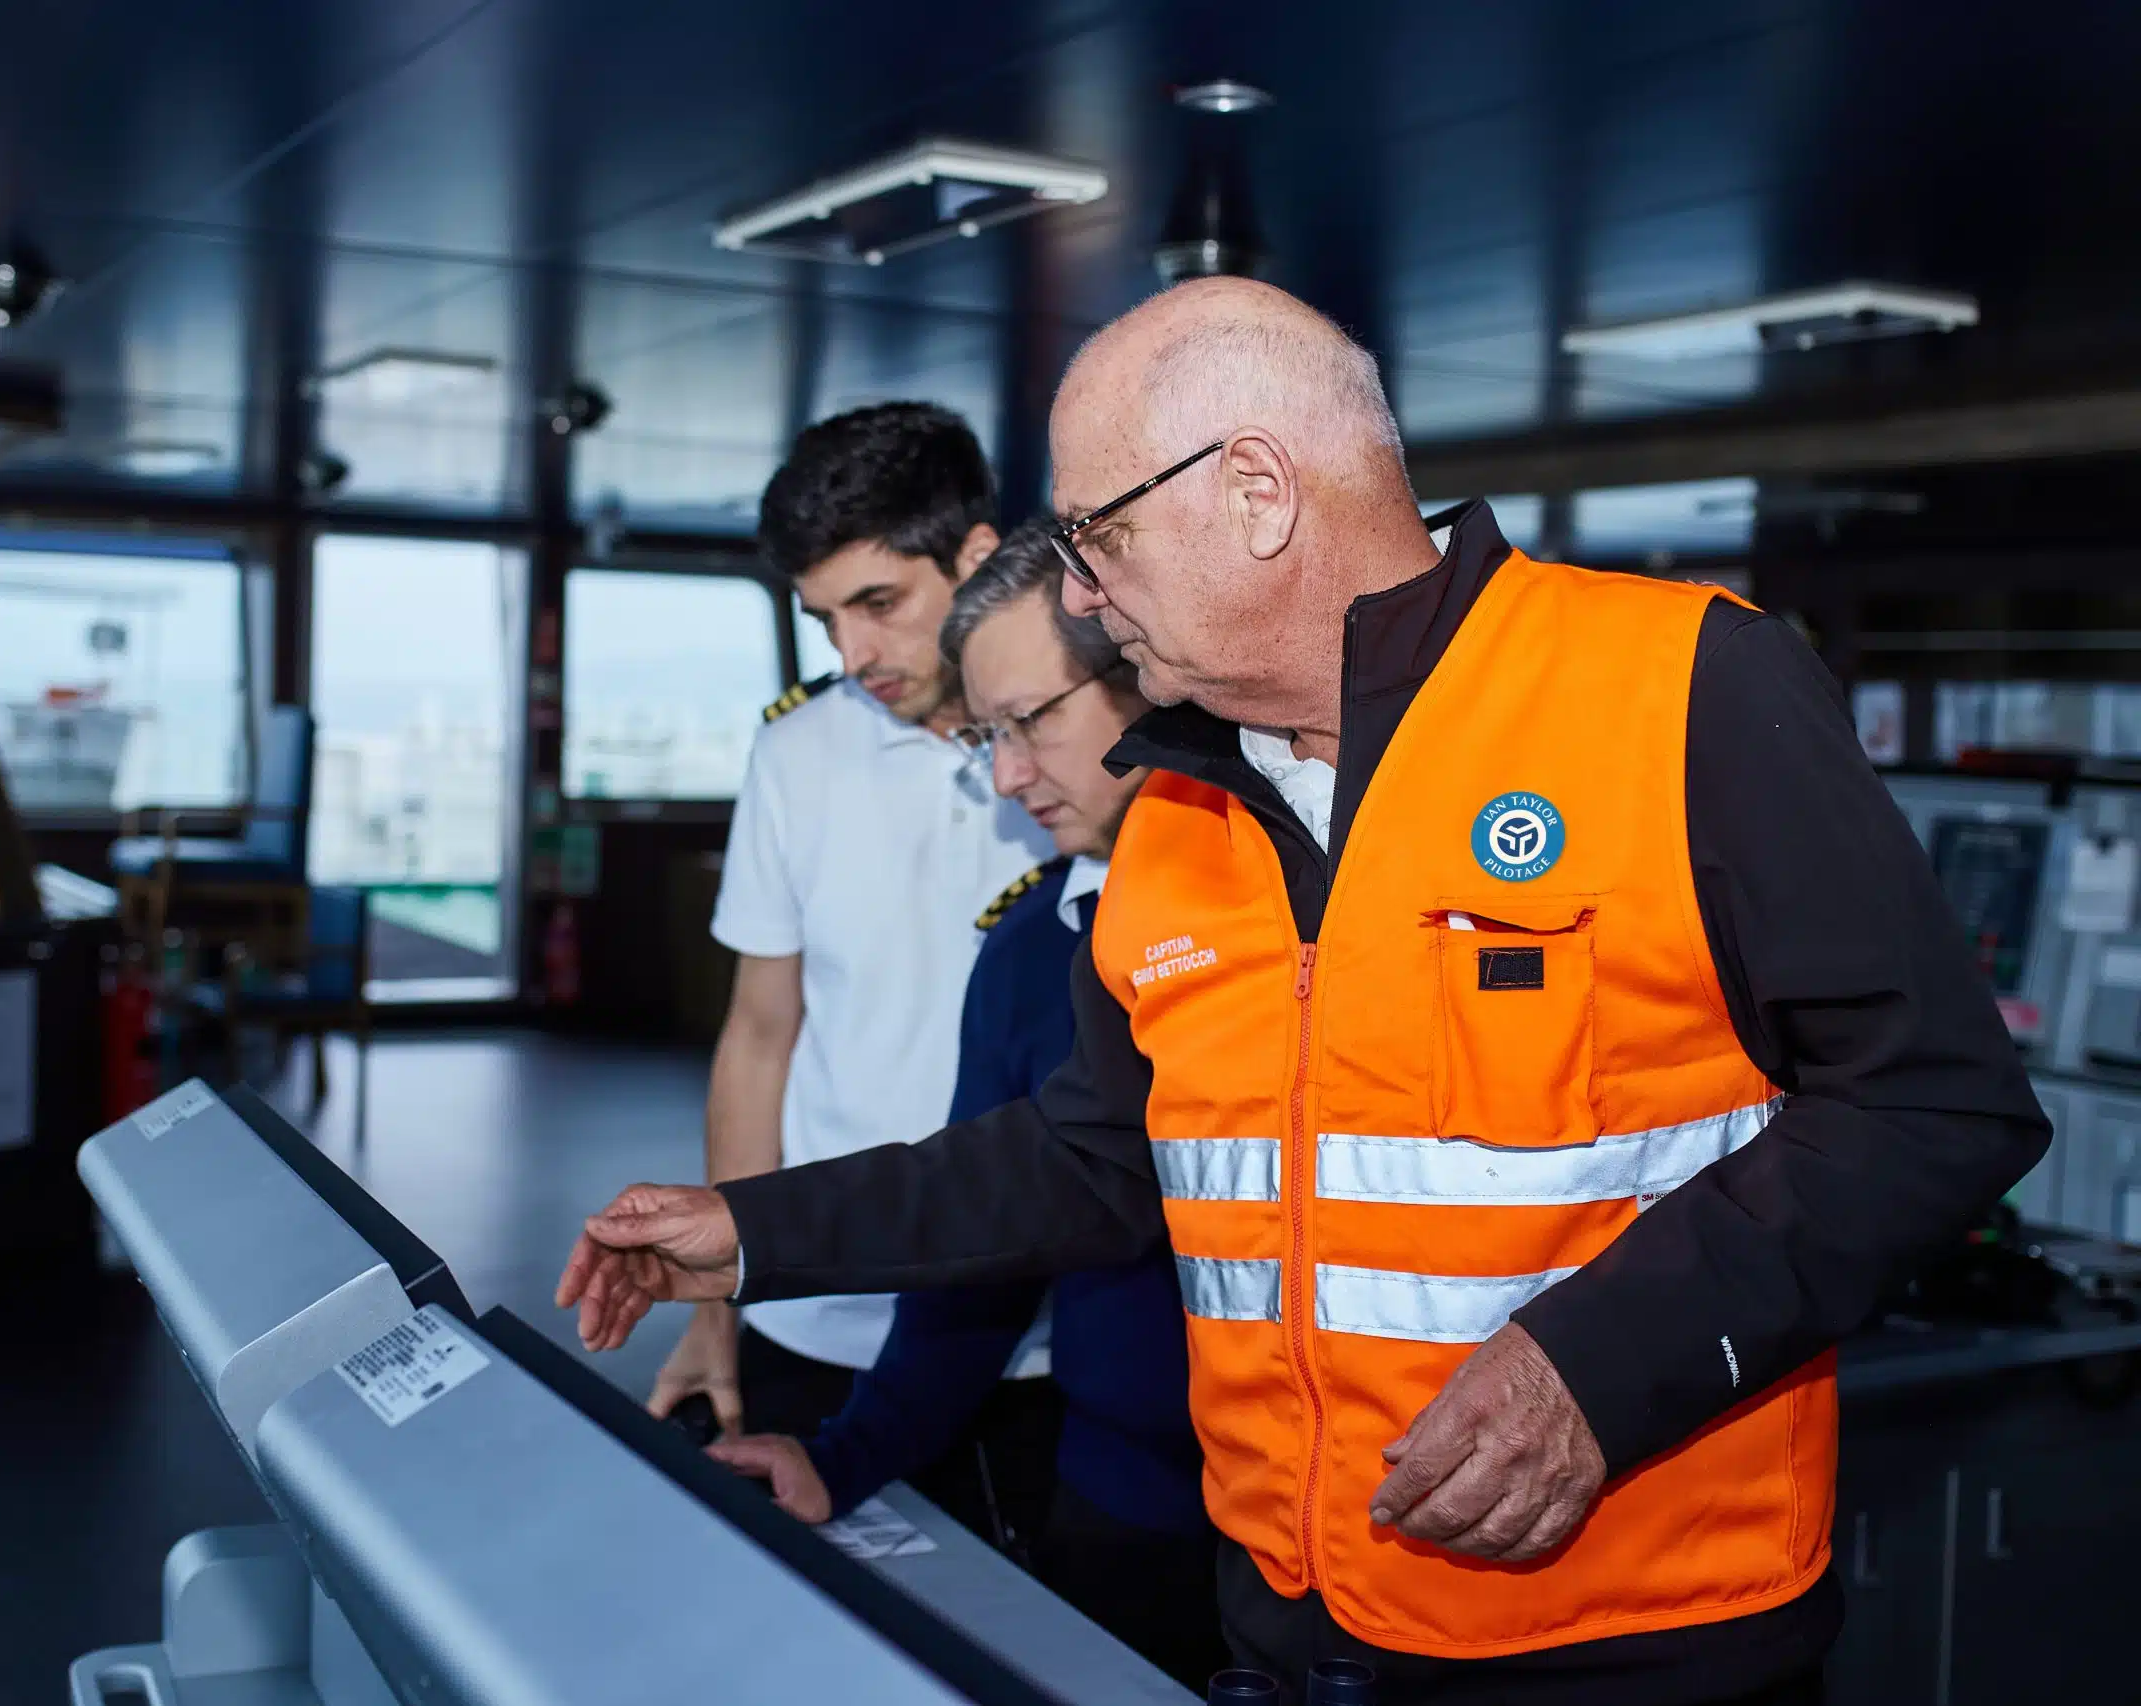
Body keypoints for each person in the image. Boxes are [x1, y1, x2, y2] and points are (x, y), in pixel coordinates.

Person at [559, 279, 2051, 1706]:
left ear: (1258, 492)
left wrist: (1599, 1370)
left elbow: (1931, 1101)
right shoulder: (1182, 811)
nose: (1077, 592)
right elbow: (1084, 1159)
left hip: (1631, 1642)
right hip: (1289, 1624)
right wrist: (753, 1229)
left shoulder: (1679, 691)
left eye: (1098, 539)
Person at [710, 524, 1227, 1687]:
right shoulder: (1031, 952)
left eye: (1030, 722)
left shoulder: (1306, 914)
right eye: (988, 736)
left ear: (1147, 674)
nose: (1004, 774)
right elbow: (989, 1248)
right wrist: (842, 1458)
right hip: (1117, 1505)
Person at [660, 401, 1060, 1538]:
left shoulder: (1089, 744)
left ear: (977, 557)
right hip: (818, 1310)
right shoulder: (796, 751)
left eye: (878, 604)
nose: (851, 655)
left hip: (1042, 1336)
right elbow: (759, 1033)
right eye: (825, 616)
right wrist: (722, 1296)